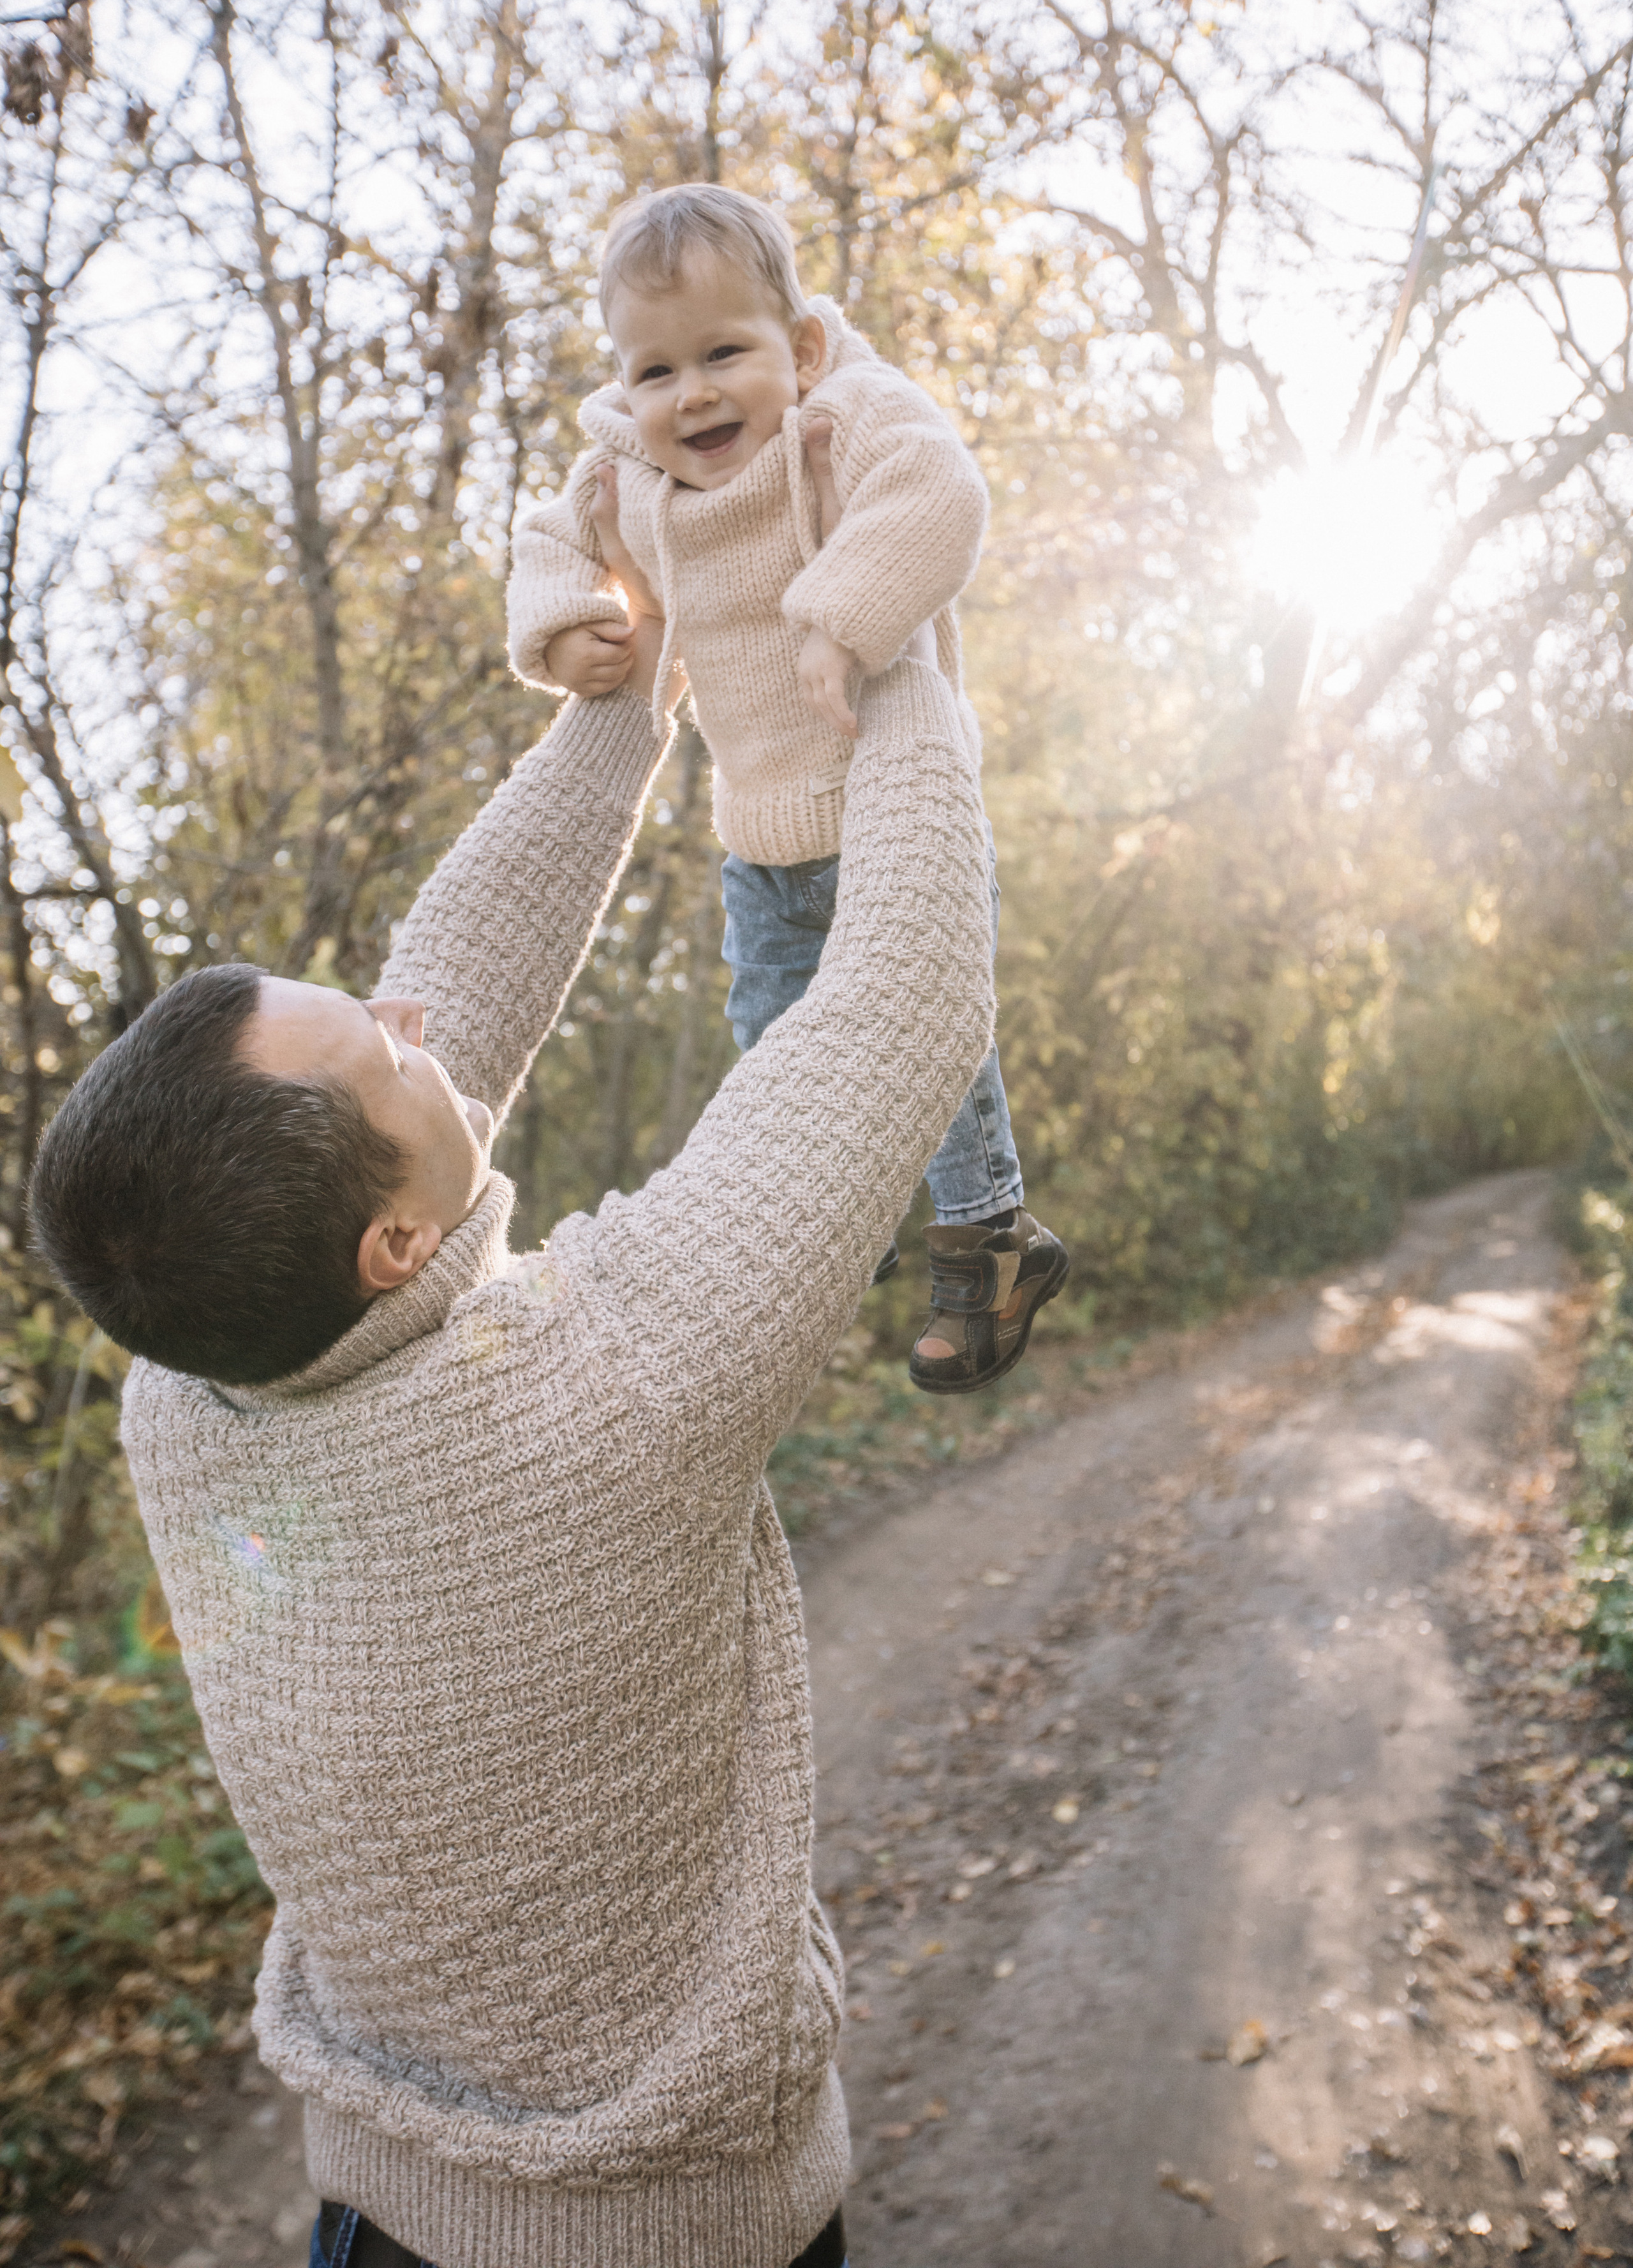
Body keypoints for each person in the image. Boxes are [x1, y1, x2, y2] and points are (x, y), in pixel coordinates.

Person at [27, 460, 998, 2268]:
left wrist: (630, 694)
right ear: (392, 1249)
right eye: (369, 1044)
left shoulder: (192, 1387)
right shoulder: (610, 1384)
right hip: (695, 2241)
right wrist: (893, 628)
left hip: (381, 2216)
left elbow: (438, 1013)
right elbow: (903, 1001)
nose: (403, 1013)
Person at [506, 182, 1068, 1394]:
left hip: (895, 803)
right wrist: (563, 632)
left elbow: (942, 494)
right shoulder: (633, 484)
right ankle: (834, 1219)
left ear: (800, 348)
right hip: (761, 836)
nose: (692, 394)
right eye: (655, 372)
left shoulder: (842, 420)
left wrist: (841, 619)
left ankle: (992, 1236)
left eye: (724, 353)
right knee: (769, 1038)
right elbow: (551, 540)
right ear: (623, 387)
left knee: (932, 1020)